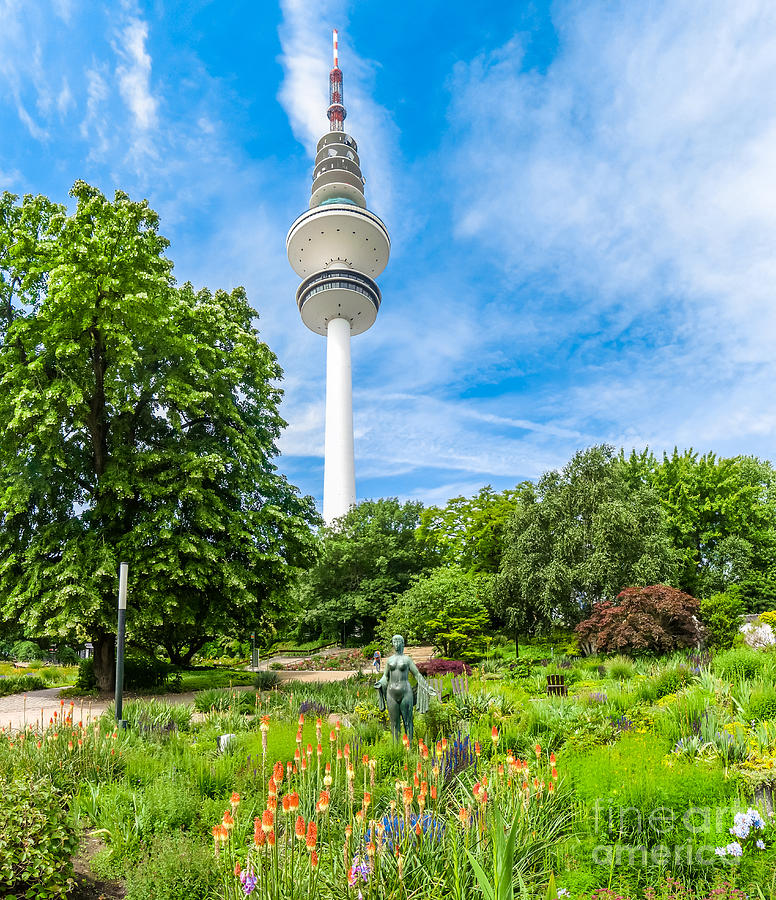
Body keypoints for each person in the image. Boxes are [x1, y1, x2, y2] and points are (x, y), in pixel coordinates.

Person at [374, 634, 434, 741]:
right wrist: (380, 683)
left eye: (399, 642)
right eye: (394, 642)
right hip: (391, 693)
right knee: (394, 723)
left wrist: (426, 686)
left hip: (406, 693)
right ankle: (396, 749)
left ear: (403, 643)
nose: (396, 644)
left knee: (408, 722)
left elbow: (417, 674)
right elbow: (385, 676)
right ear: (392, 643)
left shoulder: (407, 660)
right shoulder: (389, 660)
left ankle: (409, 749)